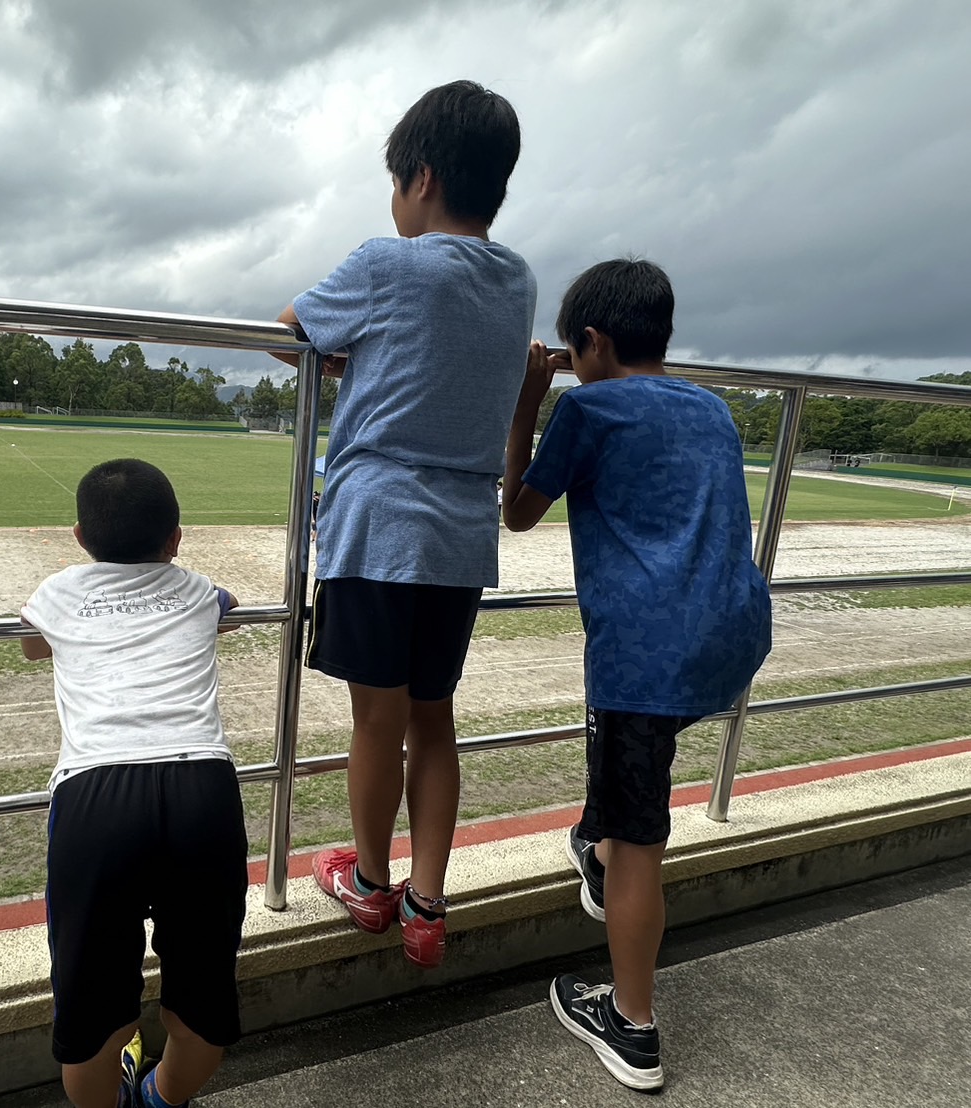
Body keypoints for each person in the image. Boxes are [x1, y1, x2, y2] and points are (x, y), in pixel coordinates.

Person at [275, 79, 536, 968]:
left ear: (419, 178)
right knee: (436, 721)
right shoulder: (517, 279)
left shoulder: (388, 264)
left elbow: (289, 331)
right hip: (460, 537)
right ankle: (427, 901)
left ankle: (371, 884)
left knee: (373, 722)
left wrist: (348, 352)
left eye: (394, 186)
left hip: (375, 526)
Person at [502, 259, 772, 1090]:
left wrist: (527, 401)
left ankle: (631, 1025)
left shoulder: (587, 404)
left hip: (643, 657)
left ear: (591, 342)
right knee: (623, 796)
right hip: (730, 637)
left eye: (574, 352)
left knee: (637, 842)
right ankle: (596, 837)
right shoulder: (711, 407)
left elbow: (514, 510)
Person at [19, 459, 246, 1108]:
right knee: (202, 1007)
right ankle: (158, 1099)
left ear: (79, 538)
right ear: (176, 539)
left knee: (91, 1022)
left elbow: (33, 646)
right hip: (201, 790)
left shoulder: (61, 590)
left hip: (95, 798)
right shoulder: (200, 590)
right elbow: (226, 609)